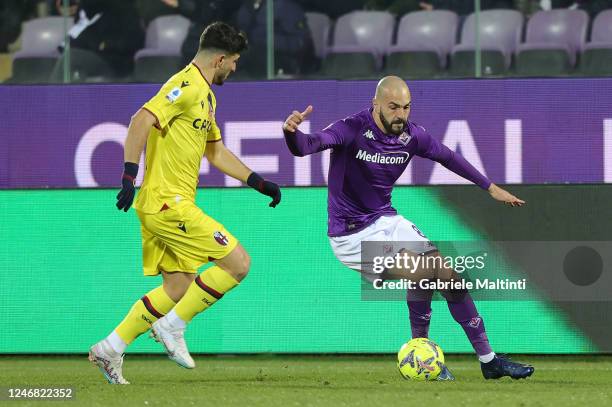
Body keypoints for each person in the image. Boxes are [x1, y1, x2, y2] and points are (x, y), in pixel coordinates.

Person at [282, 75, 535, 380]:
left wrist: (489, 186)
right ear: (376, 104)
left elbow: (448, 157)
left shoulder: (412, 136)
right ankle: (422, 354)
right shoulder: (351, 128)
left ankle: (489, 360)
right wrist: (291, 133)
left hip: (387, 219)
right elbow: (309, 144)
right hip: (351, 235)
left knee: (450, 276)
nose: (400, 114)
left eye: (406, 107)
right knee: (426, 271)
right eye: (393, 107)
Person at [88, 21, 282, 384]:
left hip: (162, 203)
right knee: (238, 263)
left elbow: (216, 151)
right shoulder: (187, 84)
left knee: (178, 286)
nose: (235, 69)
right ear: (221, 59)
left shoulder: (207, 97)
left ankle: (110, 349)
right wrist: (129, 174)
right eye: (234, 61)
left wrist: (258, 182)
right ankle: (173, 328)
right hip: (167, 203)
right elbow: (140, 119)